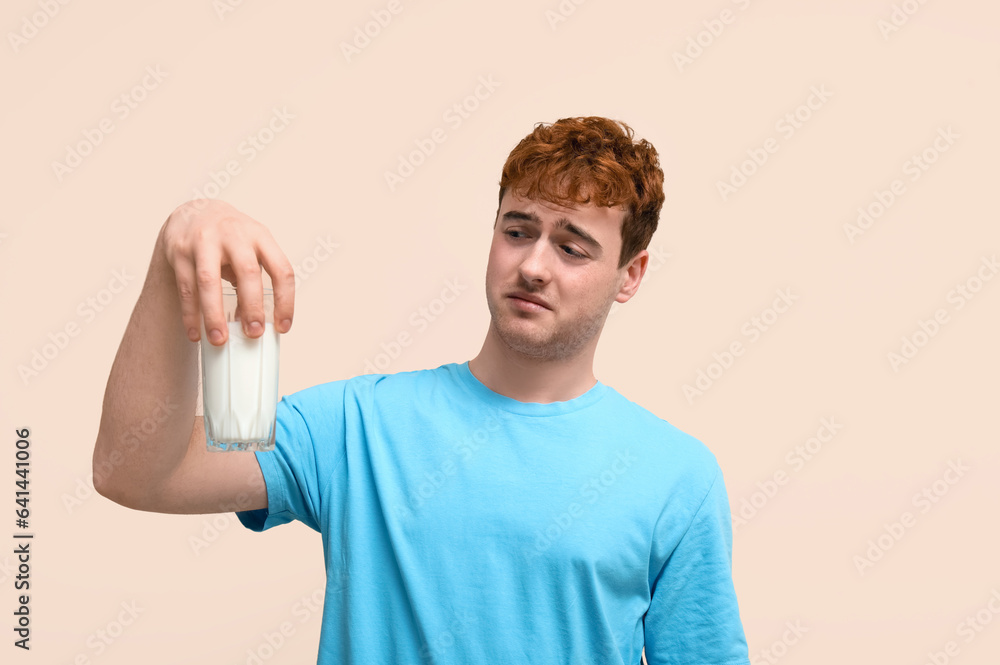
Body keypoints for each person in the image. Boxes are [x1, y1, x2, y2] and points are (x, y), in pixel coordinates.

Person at [93, 116, 751, 665]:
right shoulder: (354, 426)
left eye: (573, 248)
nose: (532, 265)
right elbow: (134, 472)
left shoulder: (676, 478)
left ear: (629, 275)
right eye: (517, 230)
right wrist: (174, 246)